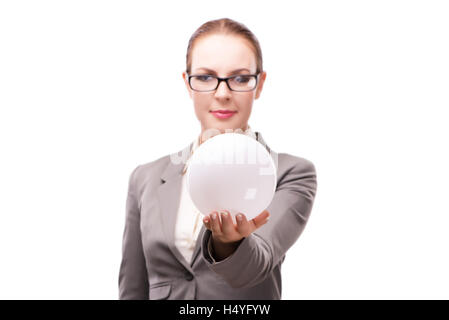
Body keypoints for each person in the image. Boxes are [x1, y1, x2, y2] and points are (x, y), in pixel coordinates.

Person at [118, 17, 318, 300]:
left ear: (259, 84)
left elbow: (257, 265)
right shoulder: (145, 178)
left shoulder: (290, 172)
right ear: (188, 84)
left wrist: (229, 244)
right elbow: (132, 288)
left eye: (240, 78)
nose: (222, 93)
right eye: (205, 77)